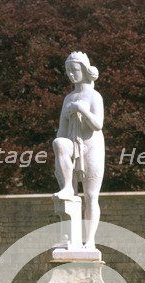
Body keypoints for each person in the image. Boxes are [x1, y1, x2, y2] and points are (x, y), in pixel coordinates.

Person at [53, 51, 105, 249]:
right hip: (72, 144)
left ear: (83, 69)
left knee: (91, 197)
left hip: (91, 146)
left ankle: (89, 240)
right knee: (58, 143)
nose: (71, 74)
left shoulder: (94, 96)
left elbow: (98, 124)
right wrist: (59, 157)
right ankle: (67, 187)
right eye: (68, 71)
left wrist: (82, 109)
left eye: (74, 70)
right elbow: (62, 131)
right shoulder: (68, 98)